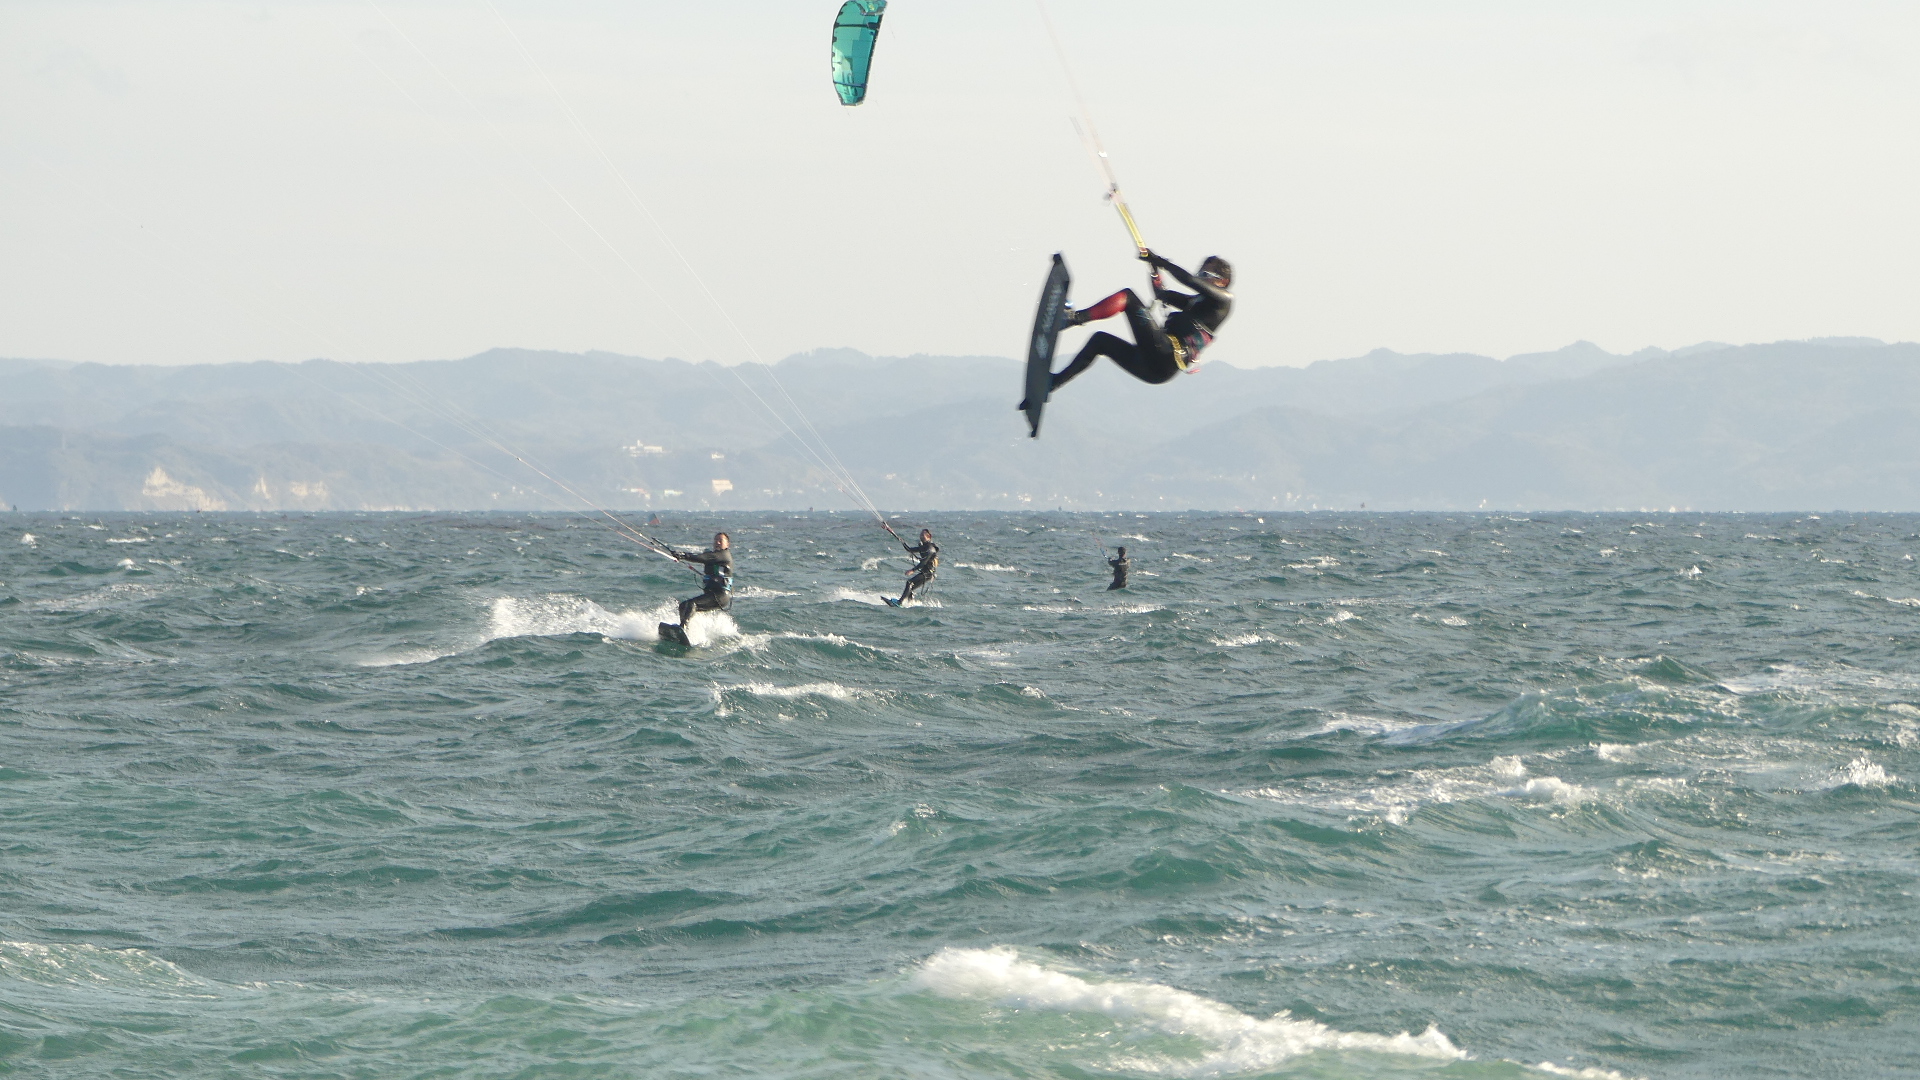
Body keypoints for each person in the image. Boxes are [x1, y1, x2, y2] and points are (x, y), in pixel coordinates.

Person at [1027, 252, 1232, 404]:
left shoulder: (1224, 301)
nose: (1201, 277)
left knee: (1127, 297)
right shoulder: (1196, 302)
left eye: (1206, 274)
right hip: (1156, 369)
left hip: (1167, 355)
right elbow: (1163, 295)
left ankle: (1072, 318)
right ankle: (1051, 385)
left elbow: (1189, 280)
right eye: (1200, 272)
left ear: (1222, 282)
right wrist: (1154, 270)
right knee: (1100, 341)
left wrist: (1164, 263)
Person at [672, 531, 732, 629]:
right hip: (713, 594)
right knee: (684, 606)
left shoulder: (723, 555)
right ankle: (684, 630)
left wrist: (683, 555)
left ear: (727, 544)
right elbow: (705, 558)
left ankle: (683, 628)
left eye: (720, 540)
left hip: (720, 595)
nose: (717, 542)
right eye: (716, 540)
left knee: (692, 604)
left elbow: (703, 557)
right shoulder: (714, 556)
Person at [896, 527, 938, 604]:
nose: (921, 536)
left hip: (928, 573)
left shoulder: (930, 548)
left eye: (923, 535)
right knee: (910, 587)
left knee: (909, 583)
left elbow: (924, 562)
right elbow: (909, 549)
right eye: (920, 534)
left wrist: (912, 570)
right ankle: (910, 603)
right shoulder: (923, 547)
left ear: (928, 537)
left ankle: (900, 602)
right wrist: (900, 540)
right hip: (925, 572)